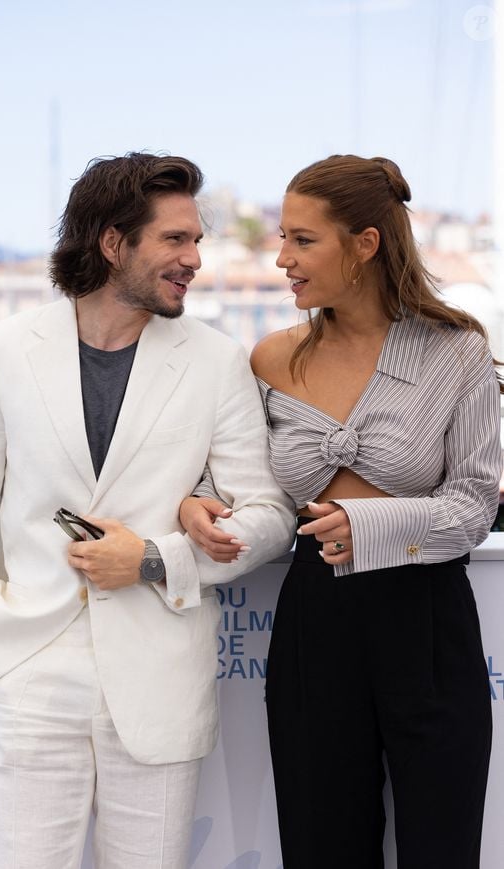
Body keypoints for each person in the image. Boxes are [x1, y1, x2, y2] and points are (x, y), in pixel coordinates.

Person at [0, 152, 295, 869]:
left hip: (158, 678)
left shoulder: (216, 359)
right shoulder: (1, 350)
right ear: (111, 242)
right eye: (176, 239)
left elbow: (269, 514)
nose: (195, 258)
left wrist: (156, 559)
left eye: (197, 240)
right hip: (31, 668)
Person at [180, 155, 503, 869]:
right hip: (315, 627)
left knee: (442, 848)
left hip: (428, 625)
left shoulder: (459, 352)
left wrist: (370, 525)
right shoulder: (269, 359)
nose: (282, 258)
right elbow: (232, 480)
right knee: (321, 845)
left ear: (365, 244)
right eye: (283, 238)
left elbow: (475, 503)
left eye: (302, 239)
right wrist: (194, 498)